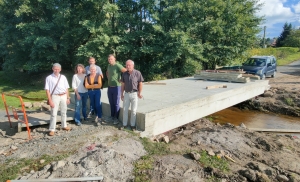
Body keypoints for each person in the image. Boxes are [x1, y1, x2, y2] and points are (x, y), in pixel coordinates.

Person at [45, 63, 71, 136]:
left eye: (58, 69)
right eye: (55, 69)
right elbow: (47, 90)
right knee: (53, 113)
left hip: (63, 95)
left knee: (64, 111)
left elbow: (66, 88)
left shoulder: (63, 77)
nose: (56, 70)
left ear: (60, 69)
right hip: (54, 96)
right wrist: (50, 100)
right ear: (52, 69)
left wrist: (68, 97)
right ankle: (52, 129)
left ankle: (64, 125)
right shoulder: (49, 78)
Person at [120, 60, 144, 131]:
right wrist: (122, 94)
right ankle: (124, 124)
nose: (127, 66)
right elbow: (123, 84)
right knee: (125, 110)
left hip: (134, 94)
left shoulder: (137, 73)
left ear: (133, 66)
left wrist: (140, 93)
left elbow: (140, 83)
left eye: (129, 65)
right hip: (127, 94)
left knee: (133, 110)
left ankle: (133, 125)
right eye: (126, 65)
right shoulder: (124, 74)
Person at [106, 54, 127, 125]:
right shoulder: (109, 66)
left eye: (111, 59)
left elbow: (126, 71)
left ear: (114, 59)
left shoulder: (117, 65)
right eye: (109, 59)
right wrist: (108, 76)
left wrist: (122, 79)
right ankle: (112, 116)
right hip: (109, 87)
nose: (110, 60)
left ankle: (116, 118)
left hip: (117, 87)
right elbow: (107, 72)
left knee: (116, 104)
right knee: (111, 103)